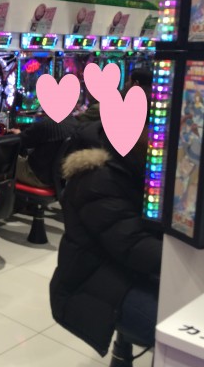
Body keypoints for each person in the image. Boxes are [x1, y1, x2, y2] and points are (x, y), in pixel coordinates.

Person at [49, 88, 162, 361]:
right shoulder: (97, 178)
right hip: (95, 283)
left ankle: (123, 352)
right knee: (178, 330)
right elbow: (133, 245)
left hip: (123, 271)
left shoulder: (136, 164)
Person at [0, 115, 78, 188]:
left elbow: (22, 141)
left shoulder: (47, 124)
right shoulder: (73, 122)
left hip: (36, 176)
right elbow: (27, 138)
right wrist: (21, 135)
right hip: (59, 178)